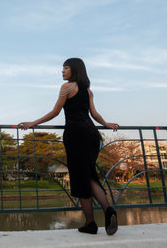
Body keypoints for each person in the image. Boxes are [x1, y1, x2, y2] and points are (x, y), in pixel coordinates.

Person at [19, 58, 119, 235]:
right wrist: (107, 124)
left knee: (81, 178)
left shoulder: (67, 88)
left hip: (76, 134)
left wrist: (33, 123)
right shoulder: (88, 91)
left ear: (74, 70)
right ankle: (103, 214)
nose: (62, 71)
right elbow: (94, 114)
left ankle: (94, 220)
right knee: (89, 175)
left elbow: (55, 111)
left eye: (65, 68)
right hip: (92, 135)